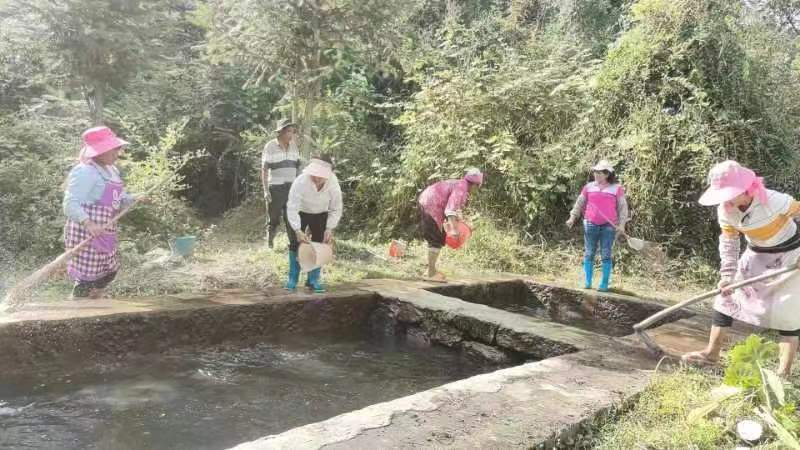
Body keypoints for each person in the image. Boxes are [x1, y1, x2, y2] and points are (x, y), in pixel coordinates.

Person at [682, 160, 800, 378]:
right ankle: (711, 354)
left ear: (746, 189)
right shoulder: (725, 211)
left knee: (788, 313)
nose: (725, 200)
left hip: (791, 257)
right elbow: (729, 242)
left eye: (729, 194)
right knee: (726, 298)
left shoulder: (775, 201)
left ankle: (783, 373)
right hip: (756, 255)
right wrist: (727, 276)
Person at [62, 126, 145, 299]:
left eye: (117, 148)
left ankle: (94, 299)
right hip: (86, 232)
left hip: (106, 231)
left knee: (109, 273)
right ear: (99, 152)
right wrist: (89, 223)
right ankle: (77, 305)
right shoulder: (85, 171)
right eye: (113, 149)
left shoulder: (112, 171)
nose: (118, 153)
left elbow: (116, 198)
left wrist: (134, 198)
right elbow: (70, 203)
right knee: (87, 279)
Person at [566, 160, 629, 292]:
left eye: (600, 172)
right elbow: (579, 203)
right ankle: (587, 282)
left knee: (606, 253)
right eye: (595, 172)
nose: (596, 174)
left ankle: (604, 284)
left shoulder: (616, 188)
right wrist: (572, 217)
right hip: (590, 223)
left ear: (607, 174)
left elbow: (623, 208)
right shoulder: (588, 187)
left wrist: (622, 224)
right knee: (589, 252)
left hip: (609, 226)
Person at [285, 154, 343, 293]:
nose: (316, 178)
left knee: (320, 243)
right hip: (301, 212)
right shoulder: (300, 181)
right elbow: (292, 207)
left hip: (321, 214)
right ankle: (293, 278)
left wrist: (329, 228)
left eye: (320, 176)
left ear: (328, 175)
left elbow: (336, 208)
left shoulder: (333, 183)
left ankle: (313, 280)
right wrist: (297, 230)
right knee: (295, 243)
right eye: (314, 175)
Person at [417, 168, 484, 282]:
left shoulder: (460, 184)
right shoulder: (462, 189)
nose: (476, 190)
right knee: (436, 239)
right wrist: (454, 230)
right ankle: (430, 274)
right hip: (431, 204)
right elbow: (450, 210)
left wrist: (454, 223)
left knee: (439, 237)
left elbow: (451, 209)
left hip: (427, 200)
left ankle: (430, 270)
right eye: (477, 187)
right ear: (475, 185)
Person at [261, 119, 301, 249]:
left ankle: (293, 246)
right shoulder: (270, 146)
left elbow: (297, 168)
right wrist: (266, 190)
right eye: (289, 131)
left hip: (291, 188)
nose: (291, 134)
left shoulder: (294, 146)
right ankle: (270, 242)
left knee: (291, 218)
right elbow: (264, 169)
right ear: (281, 132)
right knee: (273, 218)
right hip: (276, 188)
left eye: (293, 131)